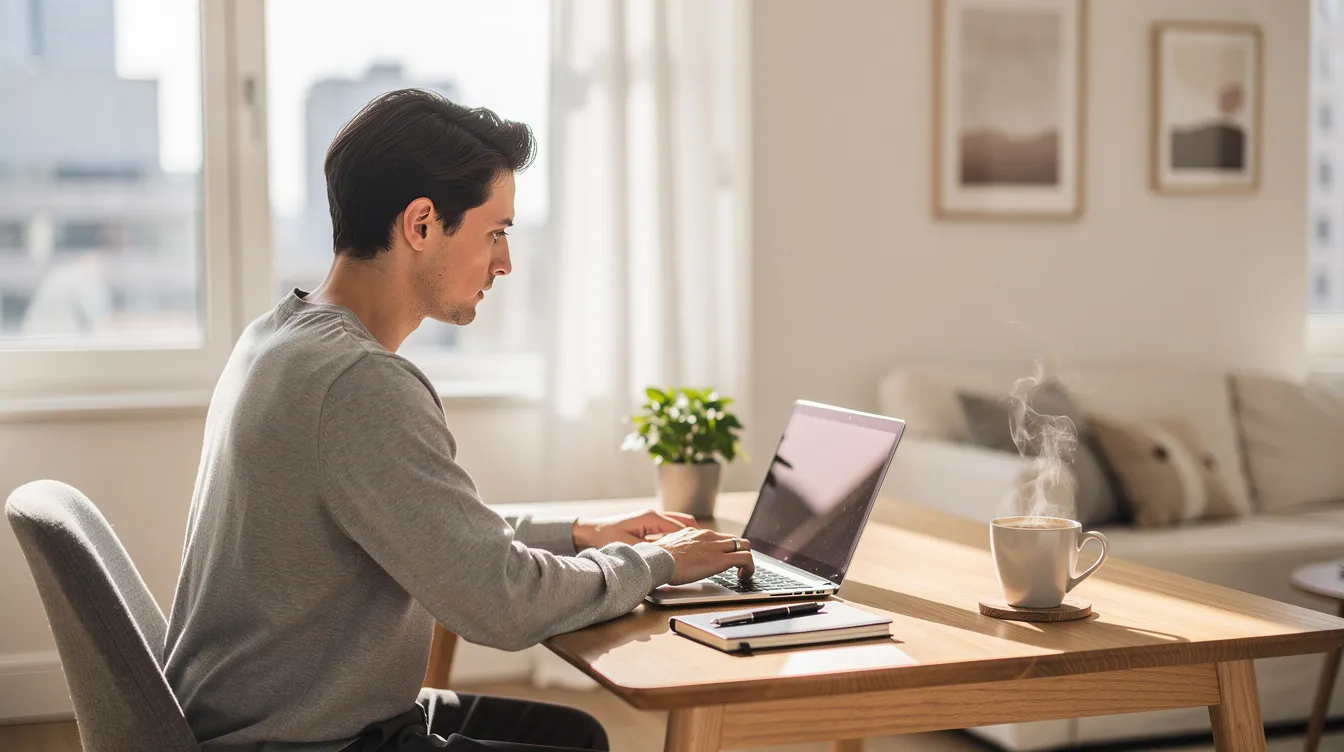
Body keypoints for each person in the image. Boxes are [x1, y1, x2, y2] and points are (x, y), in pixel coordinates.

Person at [162, 88, 754, 752]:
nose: (505, 263)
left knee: (574, 734)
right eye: (495, 232)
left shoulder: (278, 337)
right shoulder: (357, 382)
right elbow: (502, 603)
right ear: (421, 225)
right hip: (302, 740)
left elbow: (428, 527)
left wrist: (578, 534)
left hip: (261, 716)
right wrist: (656, 562)